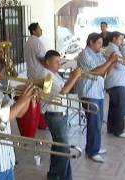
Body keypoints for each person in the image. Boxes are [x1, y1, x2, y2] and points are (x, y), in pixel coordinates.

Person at [40, 50, 82, 180]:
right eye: (56, 62)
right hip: (54, 115)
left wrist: (73, 79)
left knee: (58, 146)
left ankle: (53, 175)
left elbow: (64, 88)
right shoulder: (47, 76)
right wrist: (74, 76)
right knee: (64, 149)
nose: (59, 64)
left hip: (60, 114)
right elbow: (63, 91)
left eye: (60, 62)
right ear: (47, 62)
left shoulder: (54, 74)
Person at [77, 32, 118, 163]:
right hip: (88, 93)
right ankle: (92, 151)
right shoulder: (84, 55)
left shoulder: (98, 54)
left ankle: (94, 147)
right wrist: (110, 60)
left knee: (98, 122)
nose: (101, 46)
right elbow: (97, 71)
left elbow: (105, 72)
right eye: (99, 43)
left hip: (98, 92)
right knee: (93, 122)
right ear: (91, 42)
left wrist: (113, 62)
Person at [105, 31, 125, 138]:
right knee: (120, 107)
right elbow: (120, 66)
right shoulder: (113, 50)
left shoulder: (116, 49)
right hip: (116, 82)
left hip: (116, 81)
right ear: (114, 39)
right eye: (120, 39)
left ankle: (111, 128)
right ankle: (119, 130)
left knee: (113, 107)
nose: (122, 41)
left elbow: (123, 61)